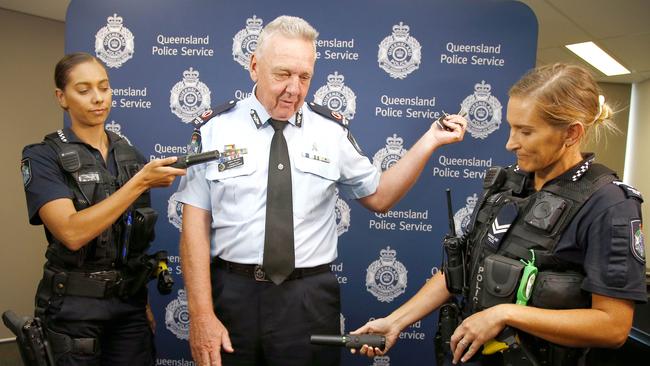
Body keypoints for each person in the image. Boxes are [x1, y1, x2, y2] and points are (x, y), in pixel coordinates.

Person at [175, 15, 467, 366]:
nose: (294, 89)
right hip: (233, 295)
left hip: (308, 300)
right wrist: (202, 315)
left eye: (304, 77)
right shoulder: (214, 129)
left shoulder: (331, 131)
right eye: (282, 74)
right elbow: (193, 228)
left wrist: (430, 141)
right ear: (254, 66)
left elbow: (380, 196)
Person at [351, 63, 647, 366]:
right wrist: (396, 320)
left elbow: (613, 326)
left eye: (526, 131)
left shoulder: (608, 204)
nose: (510, 143)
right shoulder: (509, 184)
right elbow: (461, 269)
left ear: (571, 133)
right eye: (511, 126)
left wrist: (506, 314)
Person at [20, 52, 186, 365]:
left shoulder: (130, 155)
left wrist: (142, 302)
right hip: (72, 309)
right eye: (84, 90)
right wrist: (139, 183)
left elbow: (134, 241)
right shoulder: (42, 157)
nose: (98, 98)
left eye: (104, 87)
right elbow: (71, 232)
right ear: (62, 97)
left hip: (128, 309)